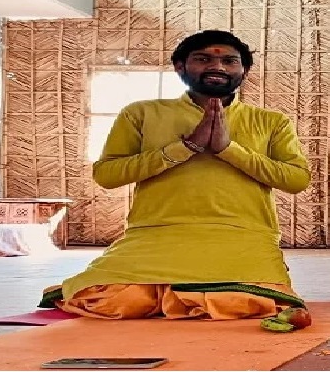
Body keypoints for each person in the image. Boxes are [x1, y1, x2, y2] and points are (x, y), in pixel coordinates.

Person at [38, 30, 311, 319]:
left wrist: (228, 150)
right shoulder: (141, 113)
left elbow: (296, 180)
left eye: (229, 61)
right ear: (180, 67)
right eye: (203, 59)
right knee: (110, 301)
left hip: (242, 235)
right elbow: (107, 175)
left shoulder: (271, 121)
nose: (217, 67)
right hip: (156, 234)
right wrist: (184, 148)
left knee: (244, 301)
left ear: (244, 71)